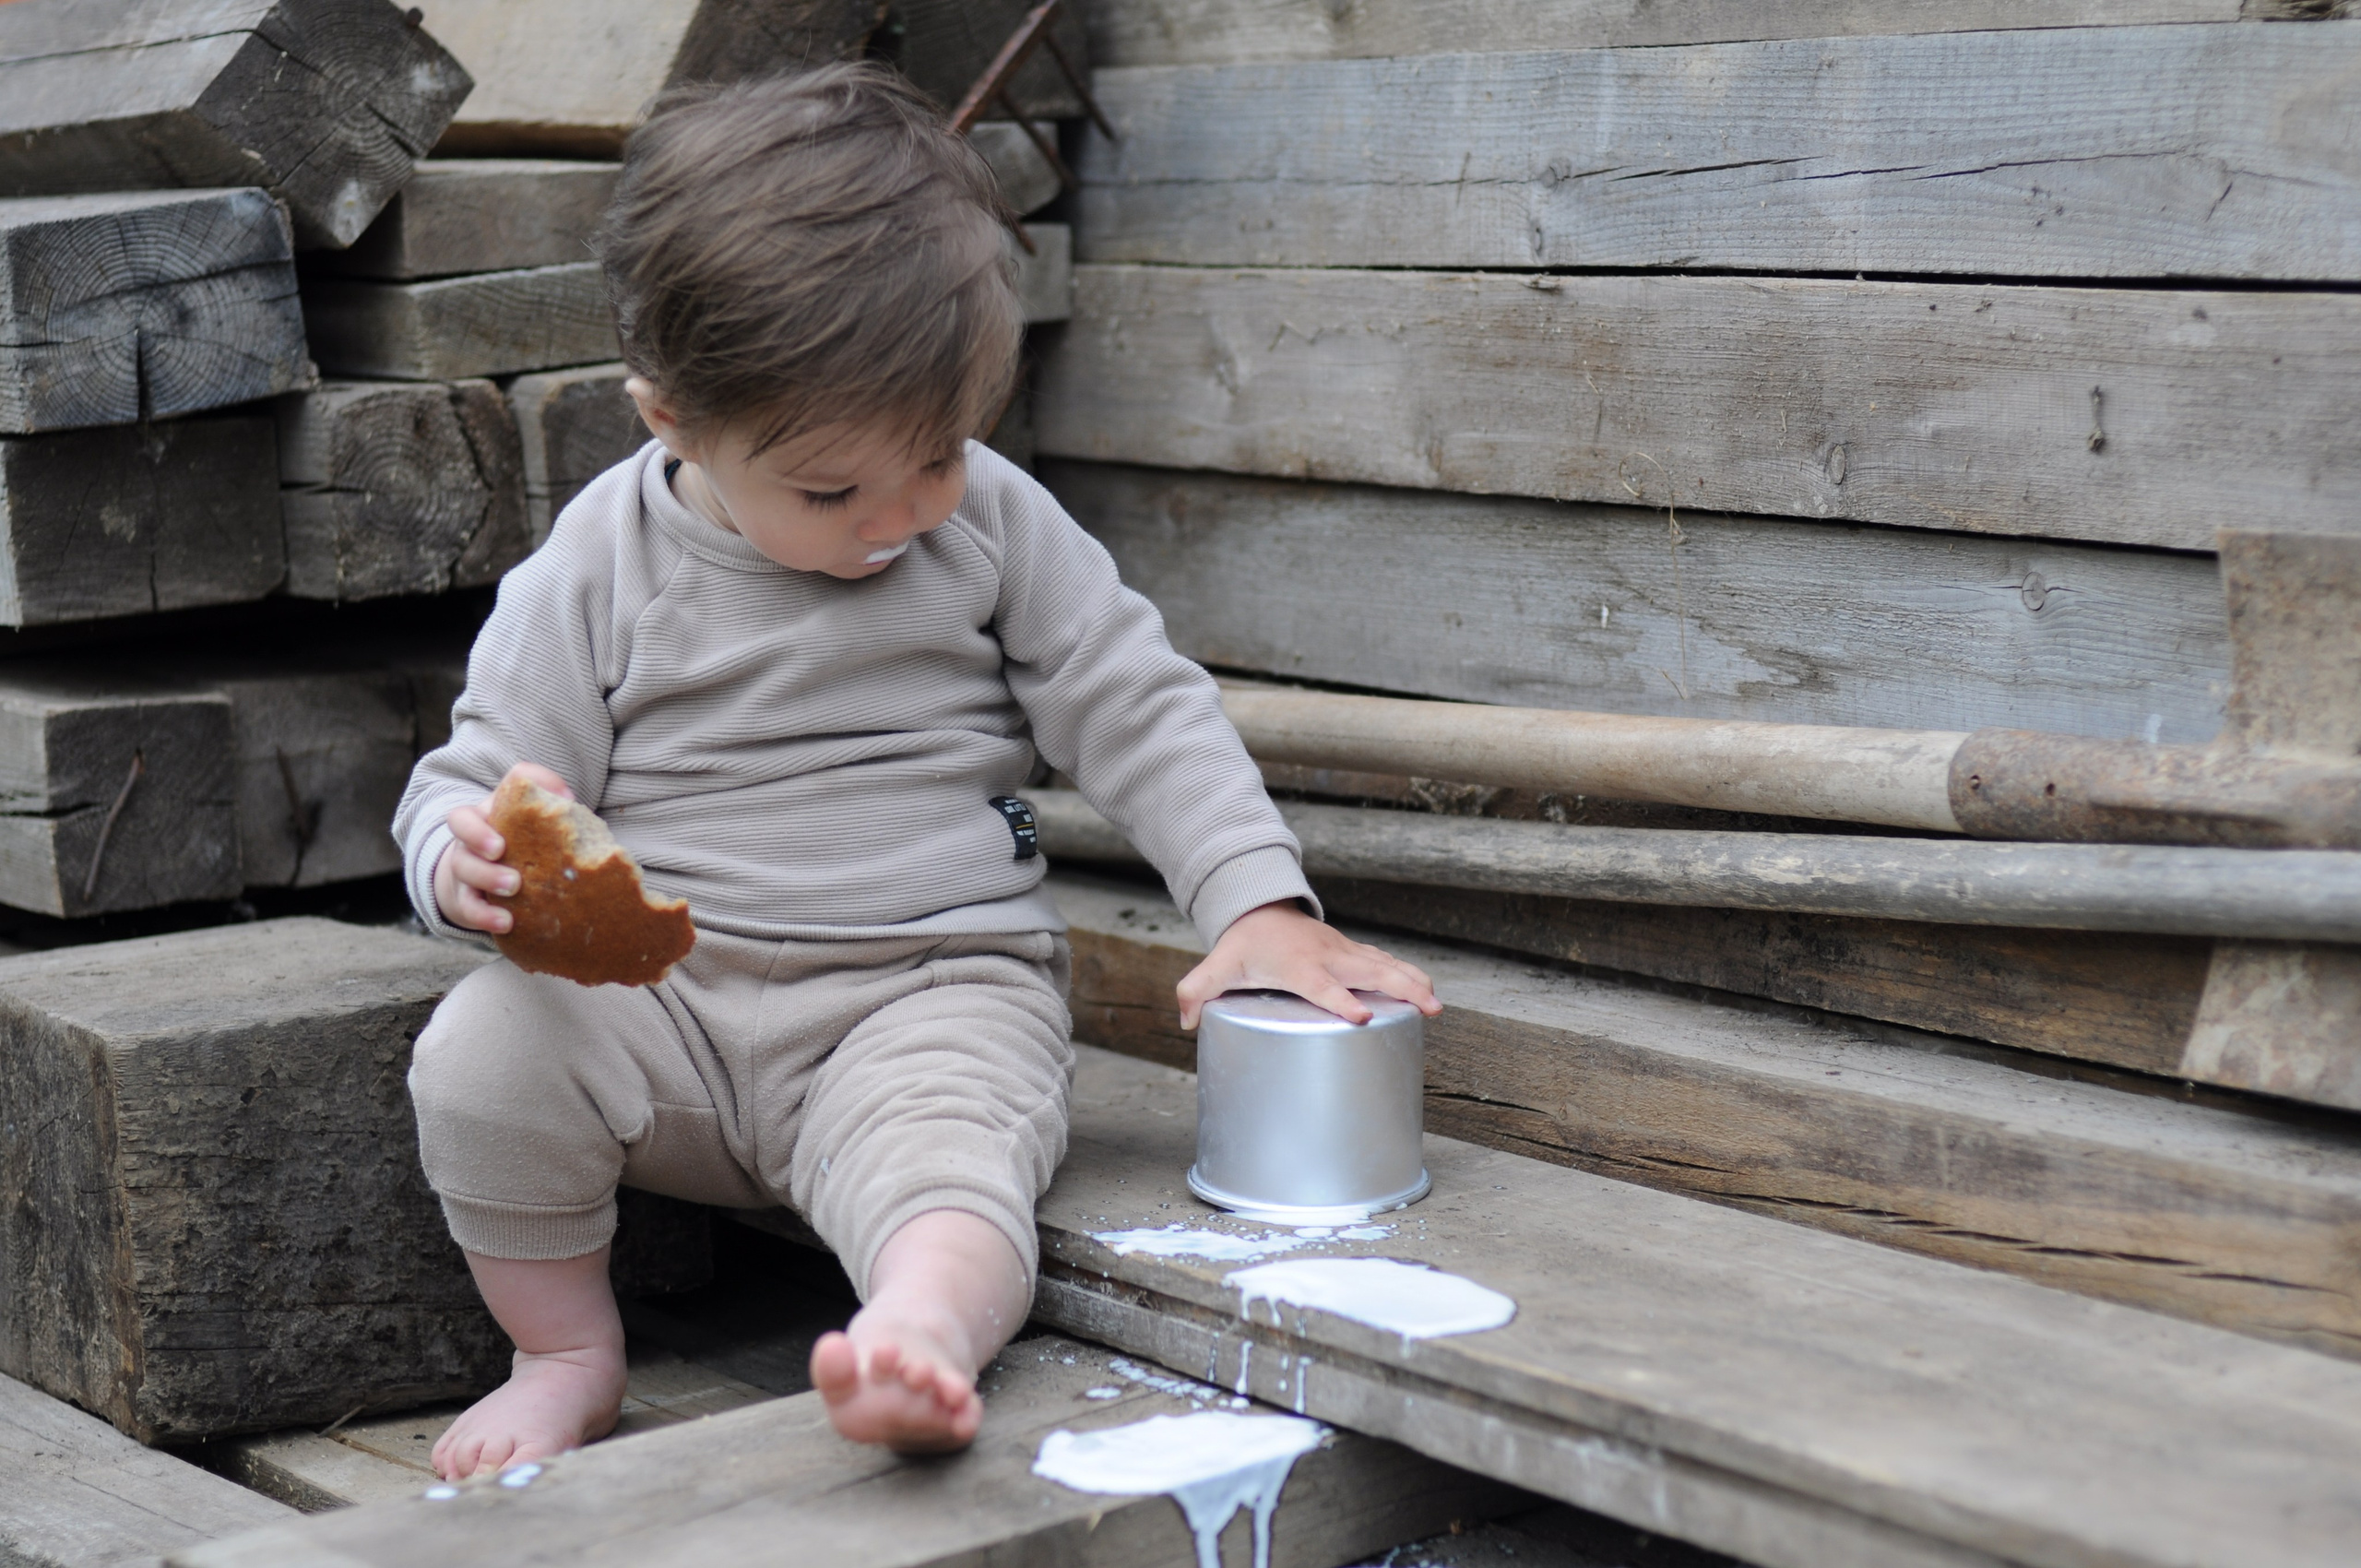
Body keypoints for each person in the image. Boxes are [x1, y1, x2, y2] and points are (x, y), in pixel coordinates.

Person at [392, 62, 1438, 1480]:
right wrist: (465, 860)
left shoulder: (993, 527)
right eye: (831, 490)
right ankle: (567, 1354)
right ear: (671, 421)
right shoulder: (597, 566)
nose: (897, 518)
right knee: (481, 1058)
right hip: (665, 1011)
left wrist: (1256, 901)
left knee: (951, 1166)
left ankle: (920, 1336)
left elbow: (1135, 703)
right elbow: (475, 782)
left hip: (923, 988)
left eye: (940, 454)